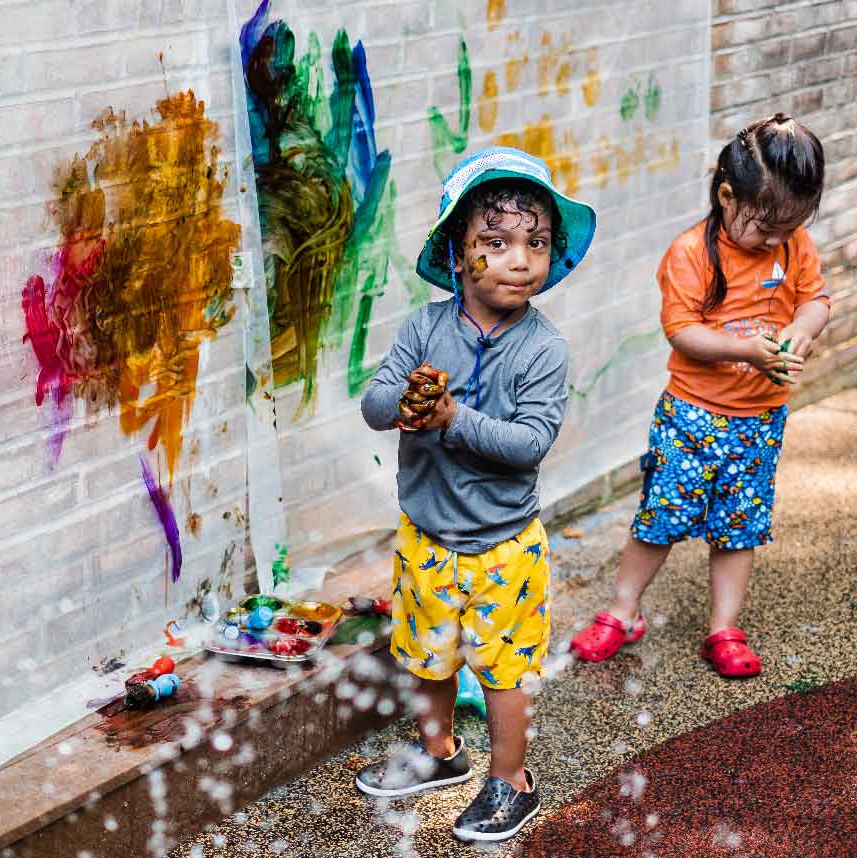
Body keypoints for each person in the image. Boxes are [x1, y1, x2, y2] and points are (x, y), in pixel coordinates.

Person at [354, 148, 595, 842]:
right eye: (496, 242)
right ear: (458, 255)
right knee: (425, 655)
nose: (520, 259)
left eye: (536, 243)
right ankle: (438, 756)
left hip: (503, 546)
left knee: (502, 670)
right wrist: (403, 402)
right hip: (427, 535)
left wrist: (452, 419)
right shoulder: (424, 330)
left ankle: (510, 782)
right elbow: (372, 403)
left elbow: (528, 444)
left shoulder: (543, 348)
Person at [569, 113, 828, 679]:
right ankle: (622, 610)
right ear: (727, 195)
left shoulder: (794, 245)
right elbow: (681, 331)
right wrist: (751, 351)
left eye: (790, 227)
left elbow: (816, 300)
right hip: (691, 415)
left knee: (740, 527)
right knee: (658, 518)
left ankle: (724, 627)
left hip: (758, 420)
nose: (777, 240)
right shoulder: (691, 253)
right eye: (764, 227)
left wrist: (802, 330)